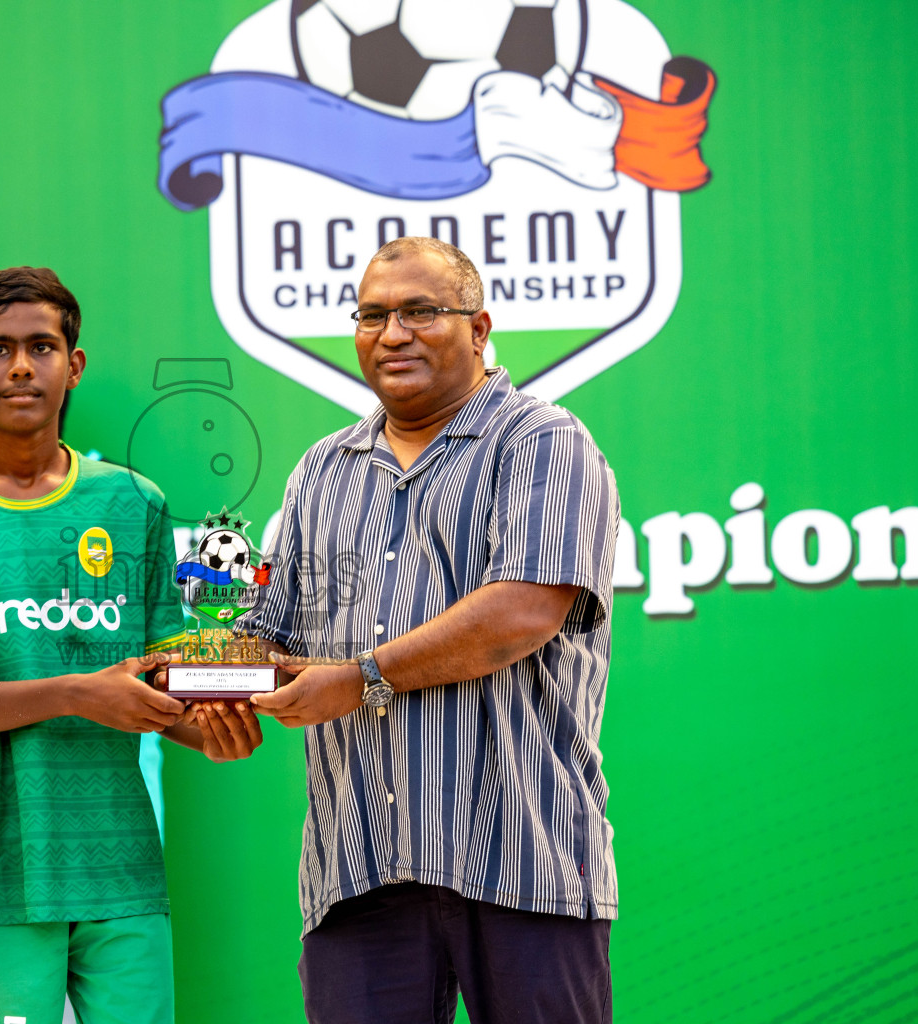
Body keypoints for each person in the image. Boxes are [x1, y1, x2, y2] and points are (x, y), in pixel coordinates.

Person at [0, 266, 261, 1024]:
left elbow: (159, 681)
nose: (19, 367)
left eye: (41, 346)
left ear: (72, 365)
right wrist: (74, 692)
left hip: (119, 867)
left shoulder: (132, 501)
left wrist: (210, 726)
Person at [243, 237, 621, 1024]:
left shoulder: (543, 441)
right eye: (373, 315)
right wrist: (195, 693)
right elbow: (265, 639)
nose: (393, 333)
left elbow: (519, 613)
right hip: (360, 871)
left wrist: (360, 676)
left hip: (524, 862)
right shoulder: (321, 470)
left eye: (421, 311)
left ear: (479, 328)